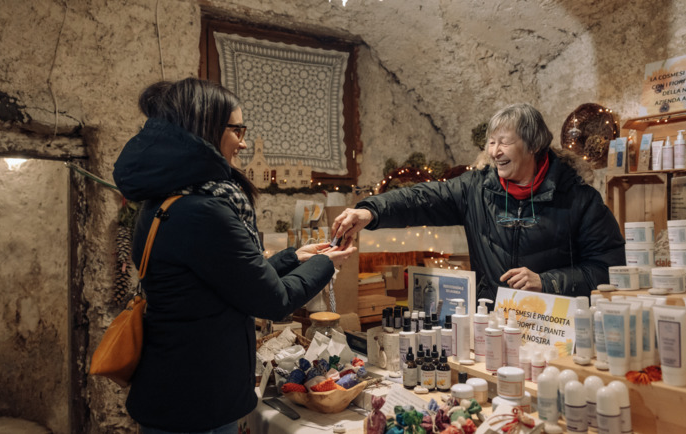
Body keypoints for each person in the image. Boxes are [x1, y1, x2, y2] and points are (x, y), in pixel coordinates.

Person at [113, 77, 355, 433]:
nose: (243, 142)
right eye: (237, 130)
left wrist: (294, 258)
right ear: (206, 128)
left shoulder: (166, 201)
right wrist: (326, 263)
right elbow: (273, 300)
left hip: (176, 388)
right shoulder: (204, 211)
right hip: (197, 401)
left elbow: (229, 280)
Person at [332, 103, 624, 301]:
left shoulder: (579, 200)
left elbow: (609, 268)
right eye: (492, 142)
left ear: (534, 145)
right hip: (492, 324)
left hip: (552, 329)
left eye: (505, 142)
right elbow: (422, 198)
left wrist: (547, 282)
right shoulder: (477, 188)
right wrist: (370, 211)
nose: (495, 151)